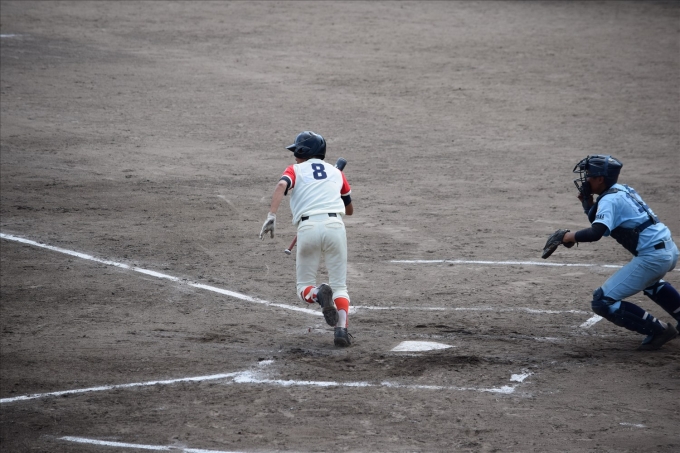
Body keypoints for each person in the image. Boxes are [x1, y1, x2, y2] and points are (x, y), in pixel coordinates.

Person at [559, 154, 679, 350]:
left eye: (589, 175)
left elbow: (596, 233)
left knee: (602, 301)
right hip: (669, 249)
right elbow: (603, 223)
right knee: (650, 282)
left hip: (653, 257)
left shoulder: (609, 200)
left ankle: (659, 331)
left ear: (600, 179)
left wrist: (568, 237)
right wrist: (588, 203)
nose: (586, 180)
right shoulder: (623, 190)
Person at [259, 131, 354, 347]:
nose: (295, 156)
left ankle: (319, 294)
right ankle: (341, 330)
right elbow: (349, 210)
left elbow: (281, 185)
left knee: (303, 287)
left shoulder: (295, 170)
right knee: (340, 287)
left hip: (308, 228)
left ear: (303, 152)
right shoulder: (336, 173)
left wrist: (272, 215)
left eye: (297, 152)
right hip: (335, 227)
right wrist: (330, 191)